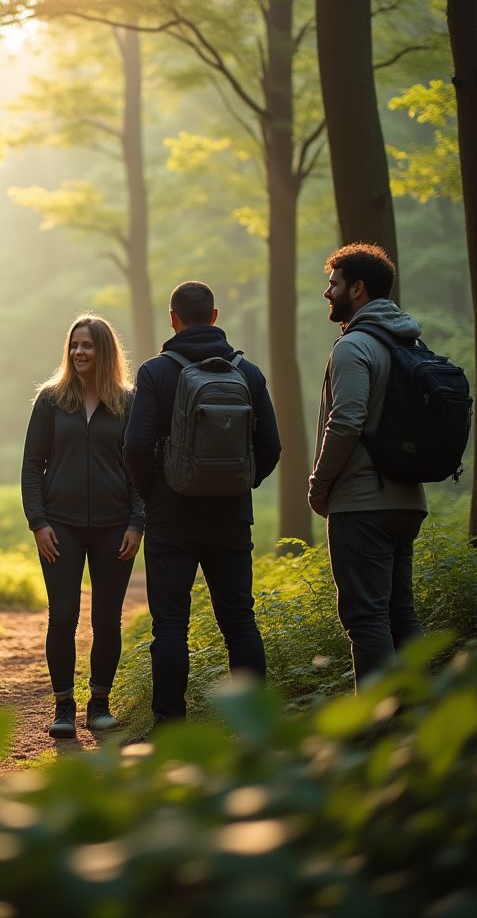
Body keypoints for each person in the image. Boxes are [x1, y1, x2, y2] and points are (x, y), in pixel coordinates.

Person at [125, 281, 280, 723]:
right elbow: (270, 445)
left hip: (171, 517)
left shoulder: (156, 372)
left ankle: (170, 724)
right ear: (215, 316)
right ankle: (255, 725)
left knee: (171, 626)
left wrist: (155, 492)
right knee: (239, 622)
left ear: (172, 319)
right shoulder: (247, 373)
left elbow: (135, 445)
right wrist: (240, 482)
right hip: (230, 515)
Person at [310, 244, 428, 689]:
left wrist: (319, 485)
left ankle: (380, 730)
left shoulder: (354, 346)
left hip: (362, 504)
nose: (328, 292)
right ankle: (420, 718)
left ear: (357, 289)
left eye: (334, 284)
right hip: (408, 500)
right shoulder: (411, 341)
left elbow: (346, 423)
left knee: (366, 617)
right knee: (402, 611)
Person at [21, 314, 143, 739]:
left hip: (115, 527)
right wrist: (38, 522)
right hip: (60, 527)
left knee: (107, 619)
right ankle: (64, 707)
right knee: (64, 615)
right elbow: (32, 466)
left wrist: (136, 522)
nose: (78, 352)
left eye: (87, 345)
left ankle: (99, 704)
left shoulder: (129, 402)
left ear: (104, 350)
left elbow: (141, 469)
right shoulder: (51, 400)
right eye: (74, 345)